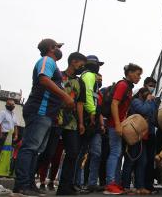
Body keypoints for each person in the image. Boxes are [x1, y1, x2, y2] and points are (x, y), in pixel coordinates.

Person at [13, 38, 75, 196]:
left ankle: (29, 183)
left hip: (47, 113)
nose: (59, 49)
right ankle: (21, 184)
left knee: (36, 150)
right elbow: (44, 79)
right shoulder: (47, 60)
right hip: (39, 110)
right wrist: (66, 97)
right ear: (50, 48)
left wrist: (62, 102)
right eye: (56, 47)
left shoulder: (52, 62)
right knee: (30, 147)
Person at [104, 63, 142, 195]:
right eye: (137, 74)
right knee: (115, 153)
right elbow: (114, 104)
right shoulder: (123, 85)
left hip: (117, 125)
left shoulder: (128, 87)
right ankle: (110, 184)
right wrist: (117, 124)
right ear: (129, 73)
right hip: (115, 125)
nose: (139, 77)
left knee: (117, 153)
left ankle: (114, 182)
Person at [56, 52, 88, 195]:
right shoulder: (58, 75)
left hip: (72, 123)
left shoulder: (80, 82)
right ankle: (31, 181)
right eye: (81, 64)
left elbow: (80, 104)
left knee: (73, 153)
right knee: (48, 152)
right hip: (55, 119)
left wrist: (81, 123)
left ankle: (65, 187)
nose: (82, 67)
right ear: (73, 61)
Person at [74, 56, 105, 193]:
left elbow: (95, 101)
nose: (99, 68)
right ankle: (76, 182)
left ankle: (92, 183)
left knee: (96, 153)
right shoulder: (88, 75)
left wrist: (100, 122)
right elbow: (86, 94)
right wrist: (92, 113)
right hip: (87, 118)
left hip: (95, 121)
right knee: (81, 152)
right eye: (98, 64)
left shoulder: (95, 82)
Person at [122, 87, 157, 195]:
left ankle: (140, 187)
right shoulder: (136, 101)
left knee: (142, 162)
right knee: (130, 161)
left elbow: (153, 114)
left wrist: (151, 102)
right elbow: (144, 110)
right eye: (146, 93)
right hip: (133, 136)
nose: (148, 94)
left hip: (142, 137)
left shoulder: (146, 102)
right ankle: (126, 186)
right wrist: (148, 100)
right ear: (140, 94)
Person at [0, 99, 19, 172]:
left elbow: (15, 126)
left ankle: (1, 171)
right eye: (10, 104)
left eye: (13, 104)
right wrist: (0, 134)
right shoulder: (3, 113)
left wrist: (16, 135)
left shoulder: (14, 115)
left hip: (10, 137)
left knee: (6, 154)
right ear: (6, 105)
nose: (11, 106)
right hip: (3, 135)